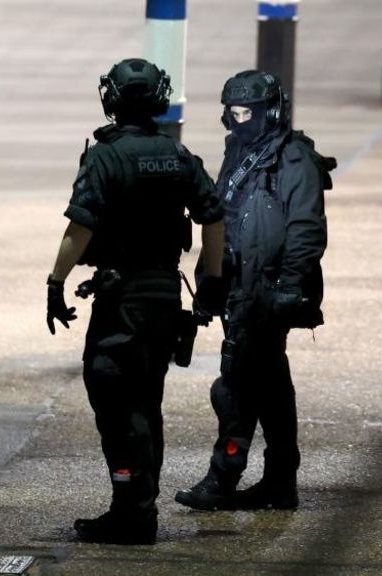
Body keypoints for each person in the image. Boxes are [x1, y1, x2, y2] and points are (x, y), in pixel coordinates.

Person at [46, 58, 226, 544]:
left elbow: (81, 225)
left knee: (113, 399)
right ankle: (139, 506)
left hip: (121, 298)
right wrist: (212, 280)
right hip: (164, 295)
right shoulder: (177, 155)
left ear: (111, 100)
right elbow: (213, 216)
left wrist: (56, 282)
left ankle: (132, 512)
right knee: (147, 402)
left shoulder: (105, 157)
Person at [175, 70, 334, 512]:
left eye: (247, 113)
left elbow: (306, 228)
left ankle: (224, 476)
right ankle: (280, 480)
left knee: (236, 386)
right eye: (233, 113)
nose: (239, 121)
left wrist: (289, 286)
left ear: (270, 112)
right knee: (270, 385)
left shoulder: (294, 159)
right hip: (238, 286)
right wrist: (209, 281)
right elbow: (222, 219)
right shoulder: (239, 152)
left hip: (267, 290)